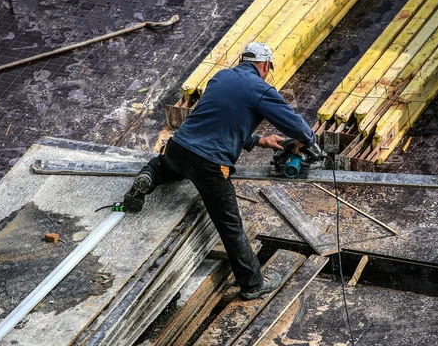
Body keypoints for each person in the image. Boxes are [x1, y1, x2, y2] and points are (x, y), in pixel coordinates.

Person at [123, 42, 317, 300]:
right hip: (210, 164)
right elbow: (301, 130)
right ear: (265, 65)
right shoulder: (261, 88)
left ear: (243, 61)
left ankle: (149, 177)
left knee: (165, 165)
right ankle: (252, 284)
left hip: (179, 147)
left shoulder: (221, 77)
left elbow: (219, 119)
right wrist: (308, 140)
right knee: (230, 225)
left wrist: (260, 140)